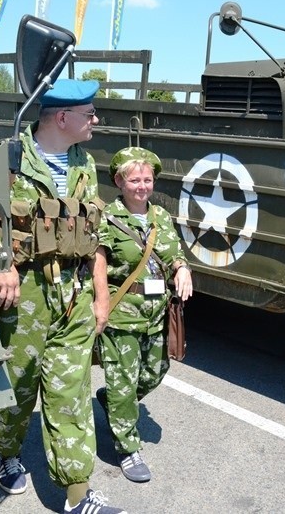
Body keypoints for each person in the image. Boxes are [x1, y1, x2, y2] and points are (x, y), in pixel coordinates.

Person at [0, 78, 127, 514]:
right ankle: (7, 452)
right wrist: (2, 263)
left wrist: (101, 296)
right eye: (89, 113)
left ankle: (78, 494)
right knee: (16, 387)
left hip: (71, 293)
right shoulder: (5, 159)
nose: (95, 120)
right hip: (23, 296)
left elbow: (93, 235)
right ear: (62, 117)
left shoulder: (84, 164)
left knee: (71, 391)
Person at [94, 146, 193, 482]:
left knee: (153, 373)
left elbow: (174, 251)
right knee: (123, 383)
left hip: (156, 313)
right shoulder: (107, 217)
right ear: (120, 181)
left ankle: (112, 401)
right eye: (134, 179)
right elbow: (98, 263)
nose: (142, 185)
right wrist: (101, 304)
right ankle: (127, 449)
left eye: (147, 179)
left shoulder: (160, 217)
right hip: (123, 313)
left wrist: (182, 269)